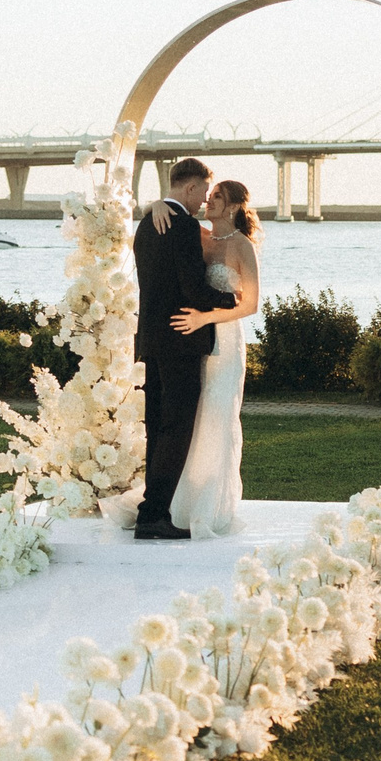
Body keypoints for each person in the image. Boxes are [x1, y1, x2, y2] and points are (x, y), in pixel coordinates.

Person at [155, 178, 261, 538]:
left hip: (226, 339)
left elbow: (250, 304)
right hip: (194, 340)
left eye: (217, 196)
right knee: (193, 417)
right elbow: (167, 217)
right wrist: (155, 205)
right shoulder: (198, 235)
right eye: (209, 194)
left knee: (217, 414)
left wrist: (204, 318)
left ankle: (207, 506)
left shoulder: (242, 246)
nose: (209, 199)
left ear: (232, 206)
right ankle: (177, 502)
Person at [133, 159, 216, 540]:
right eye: (203, 191)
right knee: (175, 429)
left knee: (157, 427)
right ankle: (154, 516)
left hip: (151, 339)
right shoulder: (183, 226)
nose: (205, 200)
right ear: (189, 188)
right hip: (180, 341)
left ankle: (148, 510)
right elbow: (194, 290)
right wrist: (236, 300)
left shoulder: (147, 223)